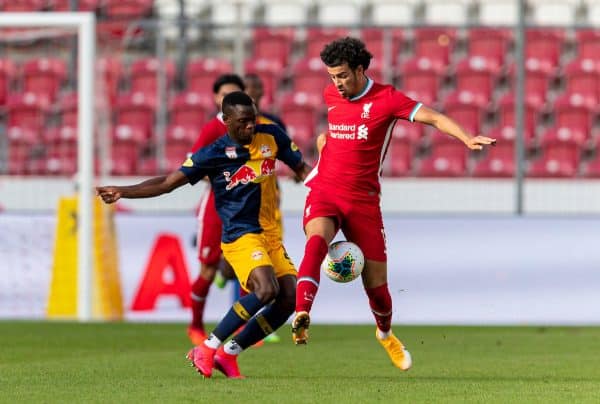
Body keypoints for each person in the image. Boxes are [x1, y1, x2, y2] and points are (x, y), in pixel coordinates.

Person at [291, 37, 496, 371]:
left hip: (364, 200)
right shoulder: (330, 96)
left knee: (378, 290)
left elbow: (432, 117)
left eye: (342, 75)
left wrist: (466, 137)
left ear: (359, 69)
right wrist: (324, 148)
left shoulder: (387, 99)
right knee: (316, 241)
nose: (337, 84)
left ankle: (385, 333)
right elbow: (336, 138)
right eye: (332, 77)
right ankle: (302, 313)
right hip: (326, 190)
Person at [97, 91, 312, 379]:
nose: (250, 127)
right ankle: (207, 347)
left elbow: (302, 170)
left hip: (270, 234)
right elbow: (168, 183)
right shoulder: (213, 154)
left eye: (253, 120)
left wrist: (331, 187)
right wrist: (124, 191)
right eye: (243, 122)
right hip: (240, 235)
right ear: (226, 121)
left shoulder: (272, 136)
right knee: (266, 289)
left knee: (288, 299)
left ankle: (228, 354)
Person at [187, 74, 246, 345]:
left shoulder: (253, 129)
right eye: (224, 95)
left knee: (249, 269)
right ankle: (196, 325)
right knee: (208, 269)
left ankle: (244, 332)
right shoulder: (213, 129)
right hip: (216, 206)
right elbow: (194, 166)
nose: (228, 100)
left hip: (245, 206)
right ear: (215, 99)